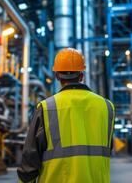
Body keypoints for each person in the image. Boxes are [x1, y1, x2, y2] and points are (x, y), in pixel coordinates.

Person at [17, 48, 115, 183]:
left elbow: (30, 160)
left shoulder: (46, 107)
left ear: (57, 76)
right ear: (81, 75)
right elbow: (108, 148)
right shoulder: (107, 107)